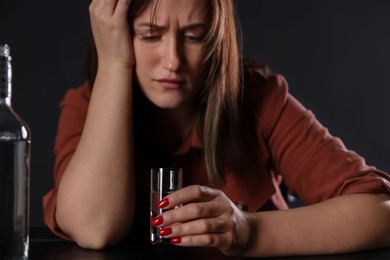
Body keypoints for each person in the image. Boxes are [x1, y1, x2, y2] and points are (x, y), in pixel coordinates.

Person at [43, 0, 390, 257]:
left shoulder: (260, 98)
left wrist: (246, 230)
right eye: (149, 36)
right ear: (115, 36)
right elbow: (94, 228)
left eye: (194, 36)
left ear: (217, 39)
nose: (173, 60)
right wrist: (115, 63)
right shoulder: (86, 106)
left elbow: (381, 209)